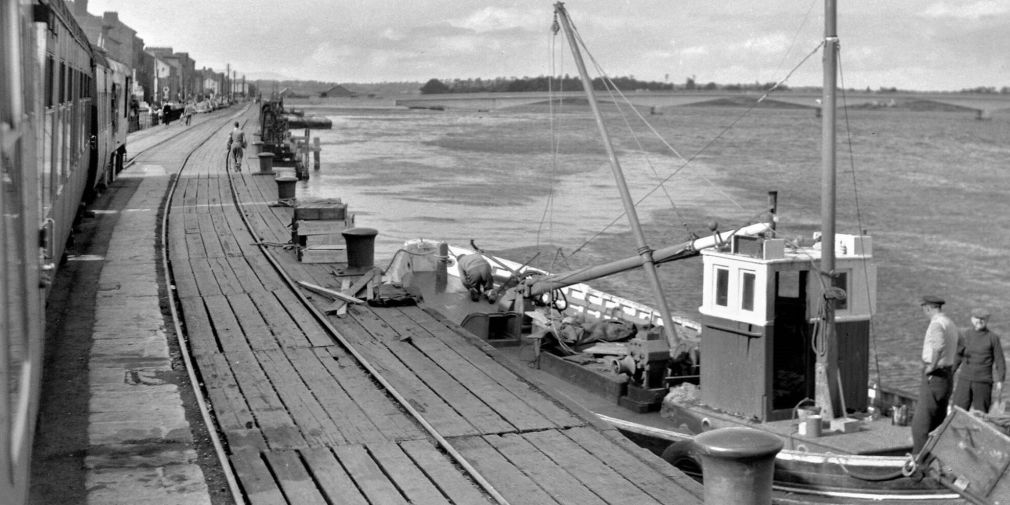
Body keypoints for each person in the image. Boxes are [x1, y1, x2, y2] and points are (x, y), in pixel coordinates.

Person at [911, 295, 959, 454]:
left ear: (928, 308)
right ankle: (938, 458)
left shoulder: (936, 324)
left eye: (924, 309)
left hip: (935, 376)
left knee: (921, 426)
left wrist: (931, 366)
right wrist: (951, 365)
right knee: (938, 421)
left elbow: (938, 346)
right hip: (947, 377)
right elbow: (962, 345)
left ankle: (920, 462)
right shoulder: (950, 323)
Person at [952, 308, 1005, 413]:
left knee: (981, 414)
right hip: (964, 380)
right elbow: (957, 356)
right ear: (972, 319)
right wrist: (950, 372)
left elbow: (1000, 361)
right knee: (957, 412)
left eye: (982, 319)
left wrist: (1000, 380)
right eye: (977, 318)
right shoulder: (965, 335)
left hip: (983, 382)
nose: (979, 321)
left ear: (987, 320)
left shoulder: (993, 338)